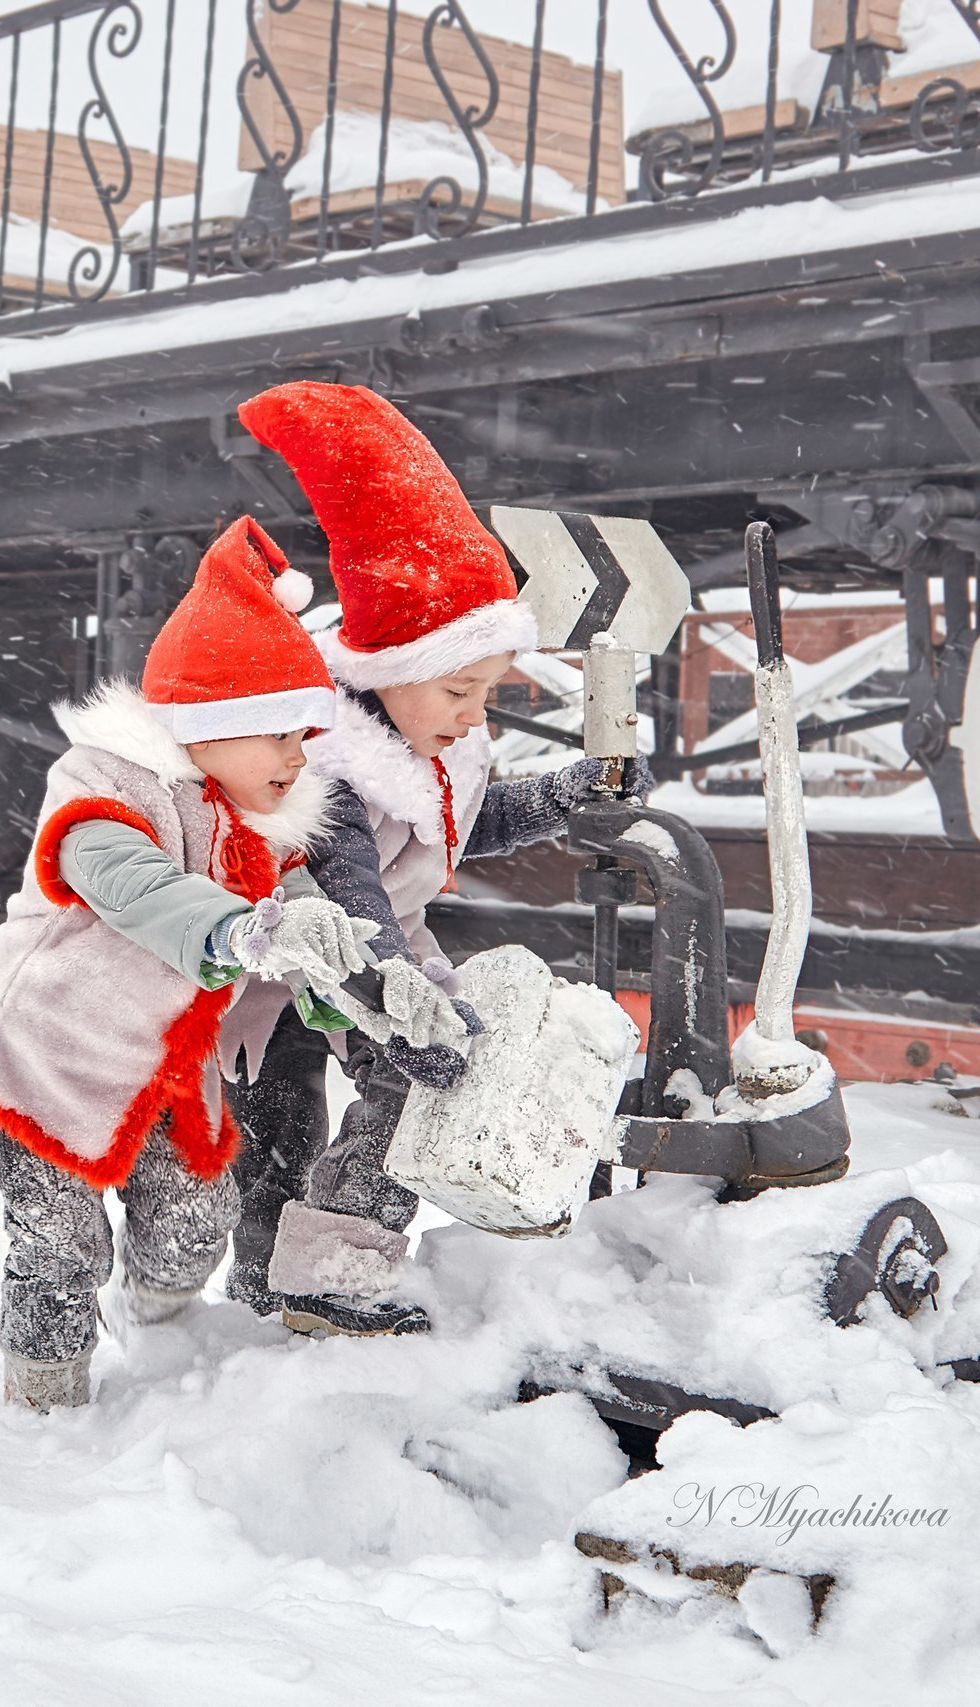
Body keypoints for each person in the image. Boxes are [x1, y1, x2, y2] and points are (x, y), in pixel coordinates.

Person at [220, 381, 653, 1336]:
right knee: (292, 1122)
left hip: (372, 952)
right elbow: (352, 898)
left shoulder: (434, 744)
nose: (475, 713)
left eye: (488, 691)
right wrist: (401, 1002)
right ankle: (288, 1292)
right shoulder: (327, 769)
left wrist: (561, 795)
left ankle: (313, 1278)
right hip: (288, 958)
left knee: (391, 1085)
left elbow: (463, 827)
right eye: (460, 688)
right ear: (394, 670)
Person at [0, 514, 392, 1411]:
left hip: (166, 1058)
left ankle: (158, 1343)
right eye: (277, 734)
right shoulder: (101, 787)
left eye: (303, 737)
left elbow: (295, 908)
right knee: (59, 1243)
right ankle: (43, 1396)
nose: (296, 757)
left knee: (197, 1220)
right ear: (206, 724)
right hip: (51, 1047)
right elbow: (133, 883)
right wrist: (240, 931)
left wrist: (335, 974)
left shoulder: (255, 818)